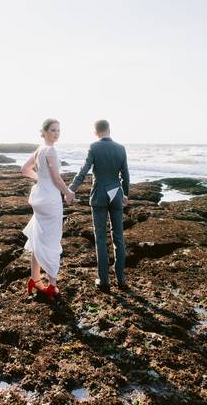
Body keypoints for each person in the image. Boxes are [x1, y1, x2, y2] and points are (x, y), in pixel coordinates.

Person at [69, 119, 129, 292]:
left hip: (100, 195)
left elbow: (84, 169)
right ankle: (121, 280)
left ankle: (104, 281)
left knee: (101, 238)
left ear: (96, 132)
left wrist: (72, 188)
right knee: (118, 237)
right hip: (116, 194)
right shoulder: (121, 148)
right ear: (109, 129)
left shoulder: (94, 147)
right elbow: (125, 174)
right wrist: (125, 194)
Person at [21, 118, 75, 301]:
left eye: (58, 130)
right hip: (50, 199)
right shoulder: (50, 150)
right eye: (53, 130)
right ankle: (52, 284)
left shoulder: (39, 150)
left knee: (39, 237)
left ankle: (34, 279)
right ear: (44, 131)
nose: (56, 133)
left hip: (39, 197)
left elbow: (24, 169)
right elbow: (56, 178)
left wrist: (40, 180)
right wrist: (68, 193)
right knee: (52, 239)